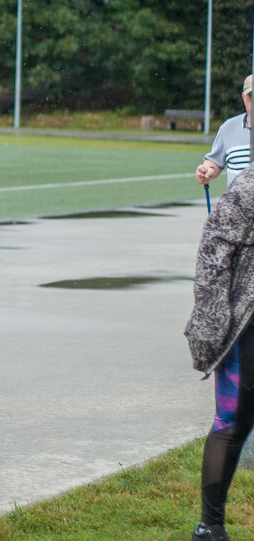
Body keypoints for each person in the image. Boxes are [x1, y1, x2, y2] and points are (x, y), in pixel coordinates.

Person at [185, 166, 254, 541]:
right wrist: (214, 318)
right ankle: (210, 527)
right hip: (247, 327)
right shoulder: (249, 186)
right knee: (233, 421)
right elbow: (213, 252)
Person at [196, 75, 253, 191]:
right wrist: (207, 170)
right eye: (251, 96)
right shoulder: (228, 128)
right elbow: (214, 162)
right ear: (243, 97)